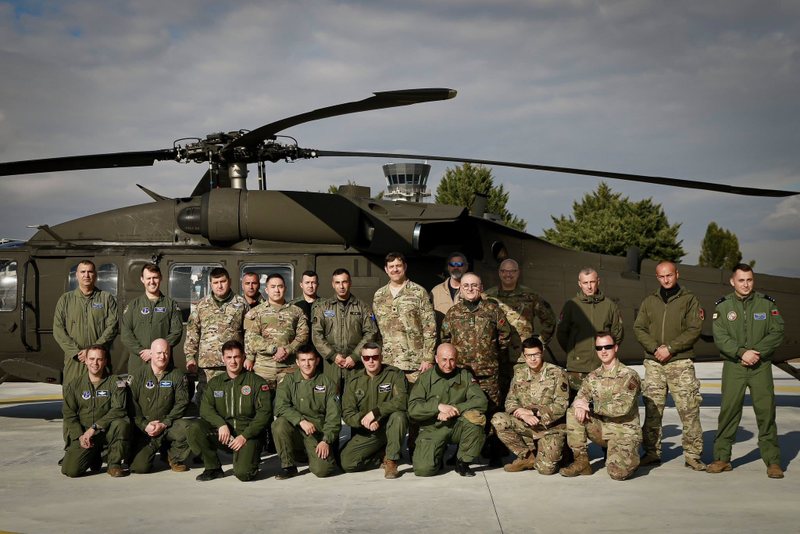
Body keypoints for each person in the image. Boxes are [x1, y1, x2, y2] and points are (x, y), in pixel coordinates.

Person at [708, 264, 785, 479]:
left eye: (749, 280)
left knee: (766, 412)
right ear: (733, 281)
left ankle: (773, 461)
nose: (745, 284)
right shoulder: (723, 307)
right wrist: (742, 352)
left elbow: (777, 331)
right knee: (729, 412)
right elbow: (720, 336)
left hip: (761, 366)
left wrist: (756, 352)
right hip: (735, 366)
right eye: (741, 280)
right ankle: (722, 458)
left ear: (753, 280)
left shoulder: (766, 304)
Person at [634, 261, 705, 471]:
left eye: (669, 275)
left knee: (689, 410)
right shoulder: (649, 301)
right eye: (661, 276)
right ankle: (652, 453)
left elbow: (694, 329)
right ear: (657, 278)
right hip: (654, 363)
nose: (666, 280)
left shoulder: (689, 299)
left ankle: (693, 455)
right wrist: (656, 348)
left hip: (680, 362)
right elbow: (639, 328)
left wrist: (671, 348)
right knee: (653, 411)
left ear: (677, 274)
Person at [441, 271, 511, 465]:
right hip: (463, 375)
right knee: (463, 411)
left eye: (474, 285)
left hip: (488, 373)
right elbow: (445, 339)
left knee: (492, 409)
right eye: (466, 286)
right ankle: (462, 450)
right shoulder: (453, 313)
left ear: (481, 288)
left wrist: (492, 355)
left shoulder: (493, 310)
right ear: (460, 289)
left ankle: (494, 449)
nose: (470, 289)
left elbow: (505, 337)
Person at [187, 340, 273, 482]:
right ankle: (213, 468)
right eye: (229, 357)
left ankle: (248, 457)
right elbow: (205, 408)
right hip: (225, 435)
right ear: (223, 359)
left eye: (236, 357)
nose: (233, 361)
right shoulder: (215, 383)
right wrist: (220, 424)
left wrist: (245, 436)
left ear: (243, 357)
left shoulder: (257, 382)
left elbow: (265, 414)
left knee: (244, 474)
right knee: (194, 428)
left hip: (248, 436)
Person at [560, 332, 641, 481]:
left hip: (623, 432)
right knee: (574, 411)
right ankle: (581, 462)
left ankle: (627, 453)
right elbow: (580, 397)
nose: (603, 351)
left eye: (607, 346)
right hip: (602, 430)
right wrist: (580, 404)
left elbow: (622, 407)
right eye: (599, 348)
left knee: (617, 474)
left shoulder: (629, 375)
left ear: (615, 348)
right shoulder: (593, 376)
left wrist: (589, 405)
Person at [408, 343, 488, 477]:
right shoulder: (425, 378)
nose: (448, 364)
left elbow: (481, 401)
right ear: (436, 358)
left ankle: (462, 461)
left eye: (452, 359)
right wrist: (437, 407)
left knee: (476, 420)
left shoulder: (465, 376)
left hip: (457, 425)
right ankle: (437, 456)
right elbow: (413, 408)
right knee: (423, 470)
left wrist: (456, 409)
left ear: (456, 359)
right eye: (444, 359)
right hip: (433, 427)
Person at [491, 337, 569, 475]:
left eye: (536, 354)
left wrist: (533, 412)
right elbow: (510, 400)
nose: (532, 359)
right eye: (528, 355)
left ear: (542, 353)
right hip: (526, 424)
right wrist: (520, 412)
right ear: (524, 355)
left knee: (546, 470)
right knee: (498, 420)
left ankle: (561, 452)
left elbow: (561, 405)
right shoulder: (520, 373)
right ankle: (527, 457)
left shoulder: (557, 373)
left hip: (550, 427)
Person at [340, 343, 409, 479]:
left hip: (390, 428)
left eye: (375, 357)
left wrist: (376, 412)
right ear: (361, 358)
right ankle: (380, 456)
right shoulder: (354, 381)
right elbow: (347, 413)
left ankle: (391, 460)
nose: (371, 361)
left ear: (381, 357)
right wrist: (363, 420)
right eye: (366, 358)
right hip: (368, 431)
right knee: (347, 463)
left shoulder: (394, 375)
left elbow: (402, 401)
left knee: (399, 416)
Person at [271, 344, 341, 479]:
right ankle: (288, 466)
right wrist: (300, 420)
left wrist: (326, 440)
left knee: (323, 471)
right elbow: (280, 407)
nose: (307, 364)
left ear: (317, 361)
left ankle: (311, 454)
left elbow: (334, 417)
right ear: (297, 362)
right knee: (279, 424)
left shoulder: (327, 383)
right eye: (303, 360)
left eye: (310, 360)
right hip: (296, 428)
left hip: (316, 432)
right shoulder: (288, 381)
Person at [61, 345, 130, 478]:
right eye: (92, 359)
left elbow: (119, 409)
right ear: (85, 360)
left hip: (106, 433)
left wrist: (94, 428)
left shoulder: (115, 382)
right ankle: (94, 456)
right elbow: (69, 415)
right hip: (85, 434)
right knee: (70, 471)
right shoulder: (75, 385)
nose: (95, 363)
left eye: (99, 359)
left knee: (121, 423)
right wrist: (80, 436)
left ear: (105, 361)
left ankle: (114, 464)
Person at [556, 267, 624, 397]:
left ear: (598, 281)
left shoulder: (609, 305)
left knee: (602, 405)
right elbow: (561, 333)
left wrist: (607, 353)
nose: (589, 286)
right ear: (579, 284)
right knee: (577, 406)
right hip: (577, 368)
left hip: (602, 366)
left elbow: (617, 332)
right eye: (585, 283)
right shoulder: (571, 305)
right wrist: (573, 350)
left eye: (592, 282)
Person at [128, 338, 193, 473]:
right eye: (158, 353)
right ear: (150, 354)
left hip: (167, 426)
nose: (162, 357)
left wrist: (165, 423)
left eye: (166, 353)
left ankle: (173, 457)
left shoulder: (177, 375)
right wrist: (144, 425)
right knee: (140, 468)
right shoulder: (138, 375)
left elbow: (182, 402)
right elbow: (130, 403)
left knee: (188, 428)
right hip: (145, 429)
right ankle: (148, 451)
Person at [183, 267, 247, 399]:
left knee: (233, 396)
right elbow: (192, 332)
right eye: (216, 282)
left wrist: (249, 357)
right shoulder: (201, 305)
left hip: (233, 362)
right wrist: (190, 357)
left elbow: (249, 333)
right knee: (206, 397)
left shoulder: (241, 304)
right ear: (211, 284)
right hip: (208, 364)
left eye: (222, 281)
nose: (219, 286)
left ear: (229, 281)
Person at [372, 252, 436, 383]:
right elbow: (376, 329)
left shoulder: (418, 292)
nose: (395, 269)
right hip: (388, 362)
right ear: (386, 269)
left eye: (398, 266)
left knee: (415, 401)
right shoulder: (379, 295)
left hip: (414, 363)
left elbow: (430, 327)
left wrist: (428, 358)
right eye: (391, 266)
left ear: (405, 267)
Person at [53, 259, 118, 386]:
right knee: (72, 395)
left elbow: (113, 326)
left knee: (101, 395)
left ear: (95, 275)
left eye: (90, 272)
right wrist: (75, 352)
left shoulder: (106, 298)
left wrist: (93, 350)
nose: (86, 275)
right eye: (83, 272)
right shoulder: (66, 300)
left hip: (98, 360)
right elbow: (58, 329)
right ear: (76, 275)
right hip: (75, 360)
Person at [311, 268, 378, 390]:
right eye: (337, 282)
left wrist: (355, 356)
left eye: (344, 282)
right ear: (333, 284)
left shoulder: (362, 307)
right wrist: (333, 355)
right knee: (331, 398)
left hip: (356, 364)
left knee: (356, 397)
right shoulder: (323, 308)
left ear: (350, 283)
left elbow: (371, 333)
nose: (341, 286)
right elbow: (317, 335)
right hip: (331, 364)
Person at [244, 273, 309, 390]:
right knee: (263, 404)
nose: (277, 290)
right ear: (266, 290)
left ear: (285, 288)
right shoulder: (256, 312)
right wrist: (274, 349)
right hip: (264, 368)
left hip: (289, 368)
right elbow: (252, 338)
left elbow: (303, 335)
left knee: (286, 404)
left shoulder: (297, 311)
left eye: (280, 286)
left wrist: (288, 350)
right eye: (273, 287)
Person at [485, 258, 556, 362]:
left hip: (523, 358)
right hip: (496, 357)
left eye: (512, 271)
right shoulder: (488, 296)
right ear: (499, 273)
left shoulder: (530, 296)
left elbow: (549, 320)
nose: (508, 274)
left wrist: (539, 343)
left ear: (518, 273)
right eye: (504, 271)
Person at [120, 263, 183, 376]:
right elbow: (125, 333)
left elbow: (176, 332)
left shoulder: (171, 305)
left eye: (155, 278)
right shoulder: (133, 305)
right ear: (142, 279)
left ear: (161, 278)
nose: (152, 281)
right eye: (148, 278)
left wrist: (156, 352)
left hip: (163, 363)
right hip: (138, 362)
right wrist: (141, 351)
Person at [431, 252, 467, 327]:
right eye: (452, 265)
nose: (456, 268)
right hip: (443, 337)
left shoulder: (472, 291)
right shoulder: (435, 292)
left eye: (459, 264)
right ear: (448, 267)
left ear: (466, 267)